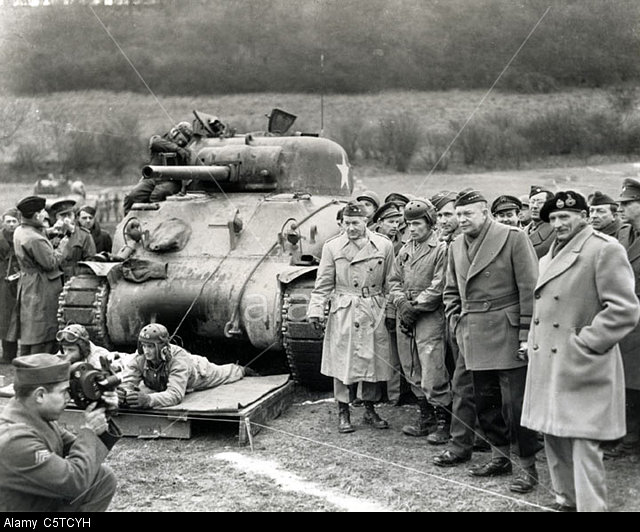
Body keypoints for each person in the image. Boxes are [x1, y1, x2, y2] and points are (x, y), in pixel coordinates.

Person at [522, 191, 640, 512]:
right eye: (554, 218)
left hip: (584, 363)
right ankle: (566, 500)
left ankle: (591, 507)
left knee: (585, 443)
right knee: (554, 435)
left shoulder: (604, 250)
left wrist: (586, 343)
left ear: (584, 216)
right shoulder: (548, 257)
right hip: (549, 361)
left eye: (566, 217)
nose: (558, 223)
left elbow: (624, 310)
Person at [442, 188, 541, 494]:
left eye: (467, 213)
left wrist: (526, 335)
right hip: (473, 333)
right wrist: (456, 322)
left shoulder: (513, 238)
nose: (461, 219)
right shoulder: (456, 245)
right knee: (486, 403)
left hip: (508, 332)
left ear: (484, 212)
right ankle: (500, 458)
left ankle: (527, 468)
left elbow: (530, 289)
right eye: (458, 214)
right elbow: (451, 291)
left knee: (515, 406)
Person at [307, 201, 395, 433]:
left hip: (373, 307)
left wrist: (390, 311)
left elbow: (390, 282)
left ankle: (369, 408)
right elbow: (323, 284)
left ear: (366, 221)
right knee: (343, 361)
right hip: (345, 309)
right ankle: (343, 410)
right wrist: (316, 309)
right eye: (347, 223)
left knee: (371, 360)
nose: (351, 227)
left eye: (355, 222)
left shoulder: (384, 246)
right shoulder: (333, 247)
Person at [0, 353, 120, 512]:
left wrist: (101, 410)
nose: (69, 398)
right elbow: (74, 481)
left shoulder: (37, 418)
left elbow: (85, 453)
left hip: (38, 503)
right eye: (64, 391)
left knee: (101, 477)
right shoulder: (15, 440)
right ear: (40, 395)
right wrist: (90, 431)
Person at [388, 199, 452, 444]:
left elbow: (439, 286)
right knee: (410, 365)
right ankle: (425, 417)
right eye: (409, 224)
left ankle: (444, 421)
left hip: (429, 316)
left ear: (429, 223)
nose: (412, 229)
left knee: (432, 366)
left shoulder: (441, 249)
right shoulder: (405, 250)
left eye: (417, 223)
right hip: (407, 314)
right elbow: (393, 281)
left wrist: (415, 307)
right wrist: (402, 304)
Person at [117, 323, 249, 409]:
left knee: (225, 373)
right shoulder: (139, 358)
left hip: (198, 372)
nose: (146, 351)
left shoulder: (178, 360)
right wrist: (122, 394)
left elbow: (175, 395)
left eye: (151, 346)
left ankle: (244, 369)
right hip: (165, 382)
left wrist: (149, 400)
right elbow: (127, 383)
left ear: (162, 348)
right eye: (144, 345)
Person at [13, 196, 69, 356]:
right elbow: (51, 263)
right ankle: (40, 365)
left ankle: (27, 361)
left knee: (31, 327)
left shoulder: (21, 230)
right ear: (36, 215)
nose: (45, 215)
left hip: (28, 283)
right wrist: (65, 242)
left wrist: (53, 231)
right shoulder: (35, 239)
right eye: (42, 212)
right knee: (44, 327)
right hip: (42, 286)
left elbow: (38, 234)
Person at [611, 178, 640, 459]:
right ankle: (630, 439)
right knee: (629, 383)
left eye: (627, 204)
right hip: (627, 320)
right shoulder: (624, 233)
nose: (621, 208)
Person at [372, 201, 411, 406]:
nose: (395, 225)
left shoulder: (401, 245)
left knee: (395, 350)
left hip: (395, 299)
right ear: (379, 223)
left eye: (398, 221)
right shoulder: (372, 243)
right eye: (390, 221)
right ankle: (374, 393)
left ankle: (395, 394)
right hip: (373, 299)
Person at [123, 121, 194, 214]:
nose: (181, 142)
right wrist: (176, 149)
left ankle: (154, 223)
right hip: (152, 179)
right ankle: (128, 225)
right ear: (175, 133)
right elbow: (154, 142)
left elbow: (187, 172)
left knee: (157, 195)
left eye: (185, 140)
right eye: (181, 137)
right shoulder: (159, 140)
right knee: (132, 196)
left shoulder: (186, 151)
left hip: (171, 182)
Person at [49, 198, 96, 280]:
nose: (66, 218)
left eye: (69, 215)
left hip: (75, 279)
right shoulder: (51, 234)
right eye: (63, 216)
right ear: (57, 217)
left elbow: (91, 262)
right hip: (54, 280)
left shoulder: (84, 235)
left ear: (74, 216)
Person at [56, 324, 133, 372]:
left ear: (82, 349)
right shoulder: (64, 354)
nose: (66, 353)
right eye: (64, 349)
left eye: (71, 350)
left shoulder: (98, 359)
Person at [0, 209, 20, 364]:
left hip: (21, 280)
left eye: (14, 221)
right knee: (6, 317)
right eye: (8, 221)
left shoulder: (22, 236)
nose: (12, 225)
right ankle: (8, 353)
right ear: (2, 222)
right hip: (3, 282)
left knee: (19, 316)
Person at [525, 185, 555, 258]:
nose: (534, 206)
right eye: (532, 202)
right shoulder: (523, 230)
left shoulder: (555, 231)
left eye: (540, 202)